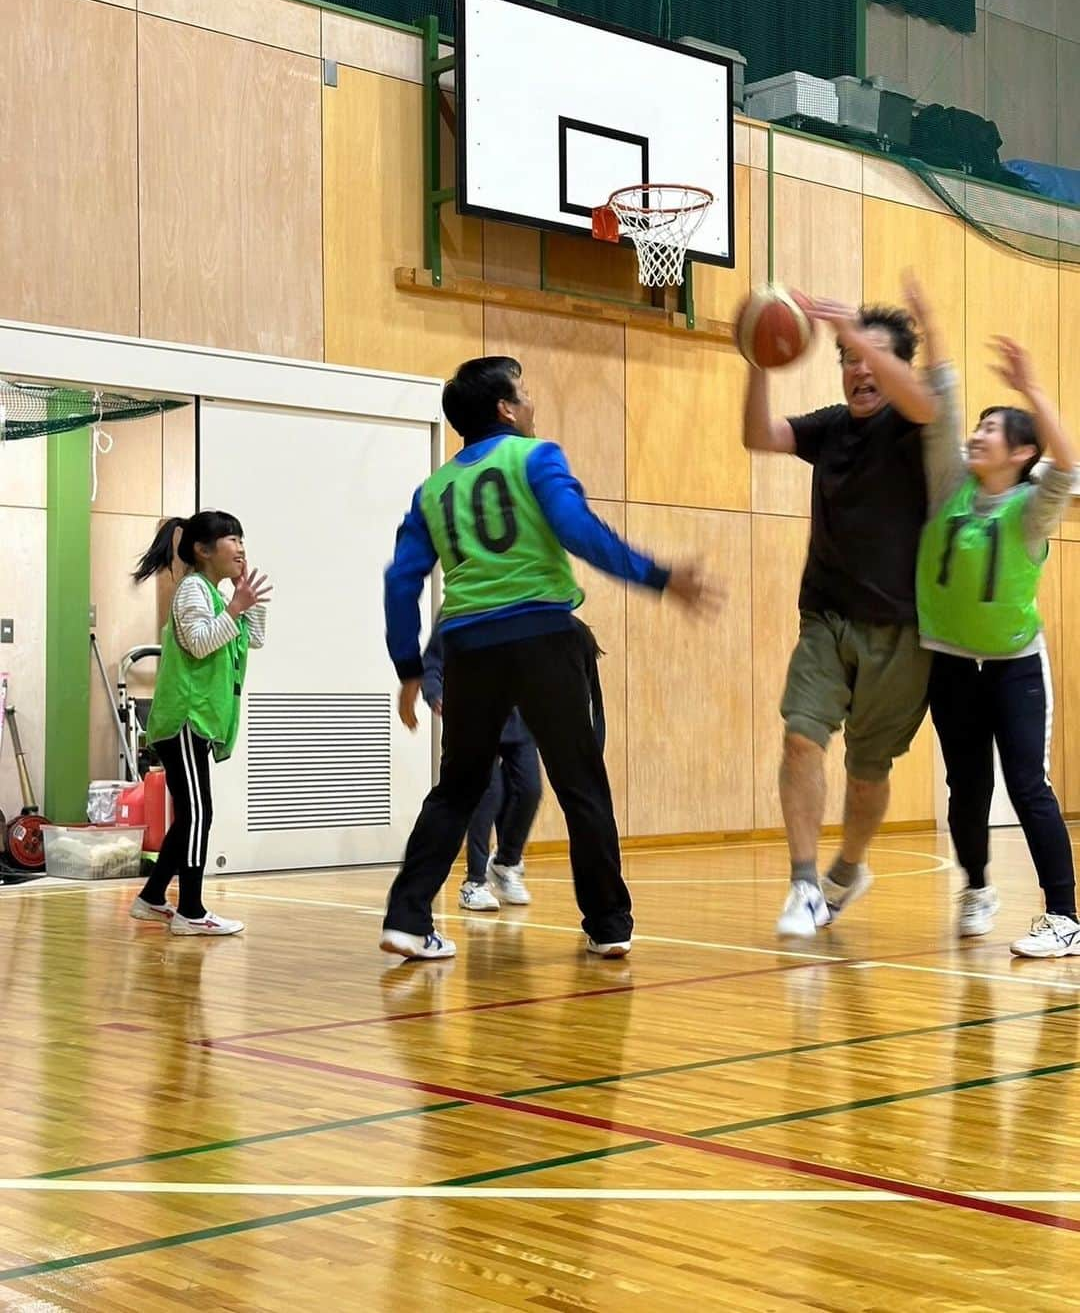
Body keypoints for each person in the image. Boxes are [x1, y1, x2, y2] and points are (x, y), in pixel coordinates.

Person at [382, 355, 716, 960]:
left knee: (456, 789)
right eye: (525, 394)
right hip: (542, 636)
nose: (533, 404)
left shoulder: (432, 490)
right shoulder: (536, 457)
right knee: (581, 782)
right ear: (506, 409)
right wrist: (657, 576)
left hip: (470, 650)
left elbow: (401, 581)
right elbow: (578, 530)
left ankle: (406, 918)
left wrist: (409, 666)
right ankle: (609, 924)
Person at [742, 291, 937, 938]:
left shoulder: (914, 423)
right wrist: (758, 362)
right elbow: (760, 435)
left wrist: (855, 332)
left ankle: (847, 869)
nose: (858, 370)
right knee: (801, 736)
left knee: (866, 774)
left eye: (872, 358)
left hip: (902, 629)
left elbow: (923, 399)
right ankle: (802, 884)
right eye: (847, 358)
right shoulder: (831, 426)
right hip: (825, 614)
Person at [914, 305, 1078, 958]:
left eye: (994, 429)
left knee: (1026, 783)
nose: (978, 435)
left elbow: (1066, 467)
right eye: (979, 427)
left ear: (1021, 452)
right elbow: (944, 405)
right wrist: (930, 325)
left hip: (1013, 664)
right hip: (950, 662)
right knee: (967, 785)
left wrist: (1033, 389)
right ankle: (978, 888)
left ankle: (1065, 916)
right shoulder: (950, 484)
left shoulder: (1030, 510)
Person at [128, 512, 271, 936]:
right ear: (201, 550)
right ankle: (190, 909)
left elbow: (254, 638)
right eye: (231, 538)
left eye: (242, 538)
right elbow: (199, 640)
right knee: (198, 814)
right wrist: (234, 607)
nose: (241, 546)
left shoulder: (216, 593)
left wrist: (248, 602)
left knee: (192, 815)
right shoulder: (193, 589)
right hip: (184, 719)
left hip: (201, 721)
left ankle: (152, 898)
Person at [422, 613, 607, 912]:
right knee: (488, 793)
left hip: (519, 723)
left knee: (530, 790)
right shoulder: (463, 605)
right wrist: (435, 693)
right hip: (477, 719)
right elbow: (432, 663)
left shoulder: (526, 606)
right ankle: (475, 881)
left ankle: (506, 863)